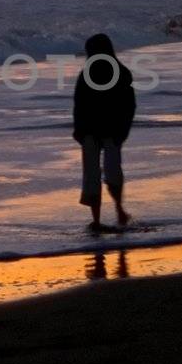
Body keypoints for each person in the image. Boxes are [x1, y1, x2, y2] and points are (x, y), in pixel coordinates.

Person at [72, 32, 136, 232]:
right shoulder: (118, 72)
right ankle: (109, 214)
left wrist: (122, 130)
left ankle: (111, 213)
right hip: (98, 131)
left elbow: (128, 105)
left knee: (102, 174)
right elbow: (79, 105)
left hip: (107, 130)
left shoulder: (117, 73)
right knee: (105, 173)